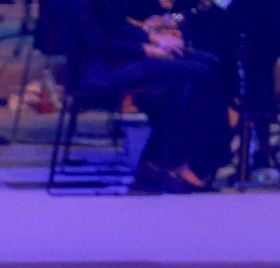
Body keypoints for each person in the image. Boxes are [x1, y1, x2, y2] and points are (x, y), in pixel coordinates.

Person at [42, 0, 232, 191]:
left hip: (113, 61)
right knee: (198, 72)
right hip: (96, 69)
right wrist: (148, 49)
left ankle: (172, 160)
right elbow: (97, 44)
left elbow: (118, 27)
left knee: (208, 63)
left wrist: (153, 38)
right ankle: (187, 162)